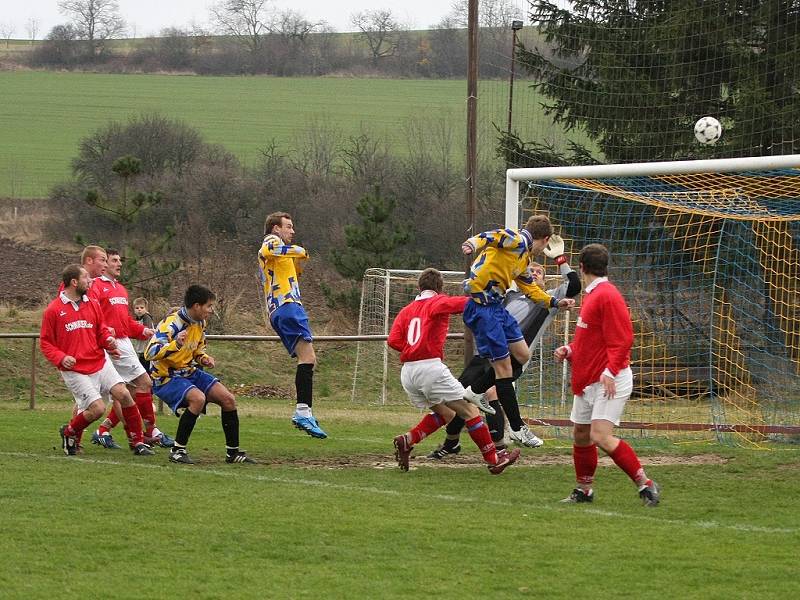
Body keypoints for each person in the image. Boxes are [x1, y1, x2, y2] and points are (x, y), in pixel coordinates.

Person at [429, 238, 581, 458]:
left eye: (539, 273)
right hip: (485, 354)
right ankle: (452, 442)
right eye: (531, 271)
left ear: (545, 281)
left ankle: (503, 442)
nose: (534, 274)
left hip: (513, 357)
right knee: (460, 396)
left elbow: (574, 286)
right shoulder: (506, 296)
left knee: (491, 391)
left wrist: (560, 259)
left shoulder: (547, 301)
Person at [554, 243, 660, 507]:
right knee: (581, 434)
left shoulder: (607, 295)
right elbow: (592, 340)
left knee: (599, 436)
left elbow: (623, 340)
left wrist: (610, 372)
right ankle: (584, 490)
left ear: (581, 267)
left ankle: (645, 484)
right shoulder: (592, 294)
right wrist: (569, 349)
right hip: (589, 378)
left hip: (610, 379)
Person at [387, 268, 521, 474]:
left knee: (448, 413)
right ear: (439, 288)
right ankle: (494, 458)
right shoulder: (437, 302)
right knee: (470, 410)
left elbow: (393, 341)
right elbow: (464, 304)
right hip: (429, 367)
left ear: (419, 287)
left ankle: (408, 440)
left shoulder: (406, 310)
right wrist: (484, 294)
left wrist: (412, 348)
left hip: (408, 372)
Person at [461, 215, 574, 448]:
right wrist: (472, 243)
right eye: (546, 246)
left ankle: (475, 391)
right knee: (503, 371)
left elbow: (531, 288)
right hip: (483, 309)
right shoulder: (518, 239)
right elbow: (491, 236)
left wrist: (554, 302)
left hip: (496, 308)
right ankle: (517, 428)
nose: (544, 251)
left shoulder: (523, 259)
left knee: (522, 355)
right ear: (543, 239)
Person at [40, 264, 154, 456]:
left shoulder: (92, 303)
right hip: (75, 369)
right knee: (97, 409)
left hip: (99, 362)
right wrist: (61, 357)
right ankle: (69, 432)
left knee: (124, 394)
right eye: (86, 278)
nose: (90, 281)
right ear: (74, 282)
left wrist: (109, 343)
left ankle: (138, 443)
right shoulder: (53, 310)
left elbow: (100, 330)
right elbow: (45, 343)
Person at [145, 285, 255, 465]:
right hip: (166, 377)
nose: (211, 311)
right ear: (196, 306)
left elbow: (197, 349)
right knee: (198, 399)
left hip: (188, 371)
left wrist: (203, 358)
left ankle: (233, 454)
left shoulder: (200, 323)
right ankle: (177, 451)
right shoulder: (172, 324)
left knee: (228, 399)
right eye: (209, 306)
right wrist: (176, 345)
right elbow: (150, 352)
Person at [90, 249, 174, 449]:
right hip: (109, 345)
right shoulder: (96, 287)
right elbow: (92, 316)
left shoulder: (120, 289)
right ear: (104, 264)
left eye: (120, 260)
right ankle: (142, 434)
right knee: (127, 390)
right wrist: (103, 336)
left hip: (124, 342)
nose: (119, 264)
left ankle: (109, 430)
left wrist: (143, 330)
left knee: (135, 389)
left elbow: (125, 321)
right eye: (114, 260)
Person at [258, 211, 326, 439]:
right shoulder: (272, 241)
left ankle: (305, 410)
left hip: (284, 308)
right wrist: (302, 252)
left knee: (308, 359)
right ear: (276, 228)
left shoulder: (282, 254)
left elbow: (296, 270)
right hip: (287, 306)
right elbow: (268, 250)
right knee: (308, 358)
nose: (292, 230)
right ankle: (302, 411)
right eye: (288, 226)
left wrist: (298, 260)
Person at [131, 297, 154, 372]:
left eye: (142, 307)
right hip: (141, 348)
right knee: (142, 365)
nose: (139, 309)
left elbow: (147, 333)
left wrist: (135, 334)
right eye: (137, 308)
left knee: (146, 368)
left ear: (146, 309)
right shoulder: (137, 319)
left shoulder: (146, 318)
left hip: (147, 349)